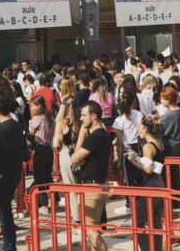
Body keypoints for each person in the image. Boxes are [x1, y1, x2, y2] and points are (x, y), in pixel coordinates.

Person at [0, 91, 24, 251]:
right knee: (5, 208)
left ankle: (9, 246)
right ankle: (10, 244)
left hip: (2, 175)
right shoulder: (16, 125)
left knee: (4, 211)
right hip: (15, 172)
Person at [70, 101, 111, 251]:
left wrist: (81, 133)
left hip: (92, 187)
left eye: (83, 115)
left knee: (89, 230)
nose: (81, 118)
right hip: (99, 185)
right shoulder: (103, 134)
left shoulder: (96, 135)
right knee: (93, 228)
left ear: (93, 116)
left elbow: (74, 158)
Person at [125, 115, 165, 251]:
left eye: (140, 127)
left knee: (139, 221)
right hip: (160, 183)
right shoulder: (160, 142)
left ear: (146, 128)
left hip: (150, 185)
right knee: (156, 223)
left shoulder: (148, 146)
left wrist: (133, 161)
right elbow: (152, 164)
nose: (138, 130)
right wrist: (137, 158)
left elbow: (148, 169)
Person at [52, 81, 80, 223]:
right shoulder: (81, 120)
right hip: (81, 152)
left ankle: (76, 218)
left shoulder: (62, 122)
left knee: (72, 190)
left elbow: (55, 143)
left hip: (65, 154)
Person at [113, 91, 143, 217]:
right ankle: (142, 203)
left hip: (127, 149)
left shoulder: (119, 120)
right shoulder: (139, 114)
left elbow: (120, 143)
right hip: (139, 147)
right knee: (141, 176)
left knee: (128, 179)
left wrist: (119, 160)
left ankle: (130, 204)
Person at [159, 87, 180, 197]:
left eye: (162, 98)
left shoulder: (168, 116)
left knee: (172, 176)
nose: (161, 101)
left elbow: (161, 132)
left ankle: (175, 200)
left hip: (171, 148)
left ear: (168, 100)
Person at [28, 96, 55, 215]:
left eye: (33, 105)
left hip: (40, 149)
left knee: (39, 178)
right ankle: (55, 200)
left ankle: (44, 205)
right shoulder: (50, 118)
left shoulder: (37, 119)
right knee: (47, 176)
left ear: (39, 106)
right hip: (49, 149)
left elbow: (31, 134)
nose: (31, 107)